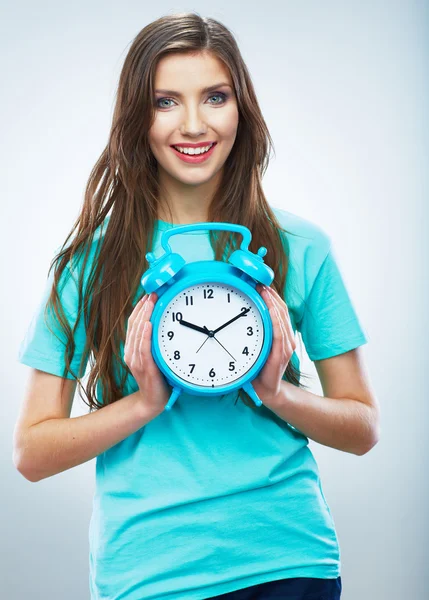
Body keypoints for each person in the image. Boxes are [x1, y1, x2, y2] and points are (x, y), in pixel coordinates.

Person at [13, 12, 380, 600]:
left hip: (287, 562)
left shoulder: (300, 248)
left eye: (214, 97)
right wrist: (145, 403)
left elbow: (363, 428)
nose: (193, 124)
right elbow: (32, 452)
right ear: (138, 116)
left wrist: (277, 391)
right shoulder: (92, 263)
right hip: (150, 575)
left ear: (242, 109)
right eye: (165, 101)